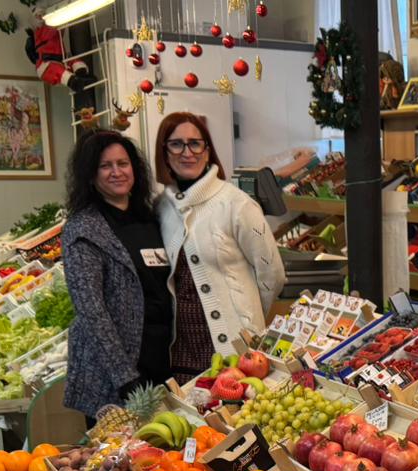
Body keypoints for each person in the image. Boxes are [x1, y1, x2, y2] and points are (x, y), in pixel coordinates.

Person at [153, 112, 284, 367]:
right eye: (176, 143)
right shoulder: (161, 209)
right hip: (182, 352)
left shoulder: (237, 204)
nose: (187, 152)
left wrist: (249, 317)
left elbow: (273, 274)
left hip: (236, 348)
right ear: (165, 152)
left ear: (207, 150)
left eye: (195, 143)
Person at [60, 130, 173, 418]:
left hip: (162, 356)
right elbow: (91, 310)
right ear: (90, 175)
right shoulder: (84, 229)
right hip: (116, 372)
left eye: (123, 164)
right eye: (105, 166)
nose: (116, 172)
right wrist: (124, 375)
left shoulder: (151, 219)